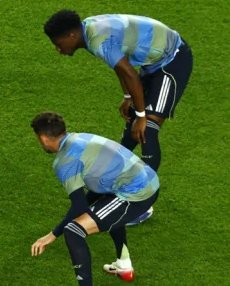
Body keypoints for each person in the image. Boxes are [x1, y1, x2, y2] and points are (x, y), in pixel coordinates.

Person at [43, 11, 191, 178]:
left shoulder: (99, 41)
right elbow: (120, 65)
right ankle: (115, 181)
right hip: (153, 62)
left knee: (146, 129)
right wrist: (128, 97)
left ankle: (144, 194)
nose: (58, 49)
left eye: (58, 43)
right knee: (131, 128)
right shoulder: (87, 30)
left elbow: (130, 73)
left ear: (71, 36)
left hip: (172, 61)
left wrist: (142, 115)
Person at [29, 112, 160, 283]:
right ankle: (124, 264)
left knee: (73, 230)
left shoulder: (65, 162)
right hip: (148, 180)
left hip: (137, 194)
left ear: (44, 138)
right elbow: (96, 191)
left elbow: (79, 206)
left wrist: (52, 235)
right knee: (106, 207)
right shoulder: (80, 138)